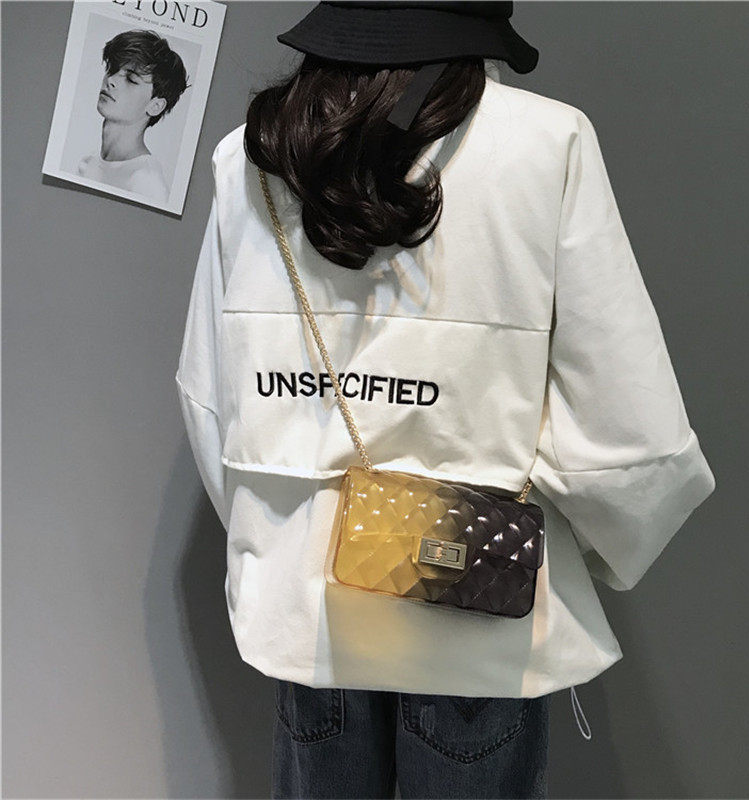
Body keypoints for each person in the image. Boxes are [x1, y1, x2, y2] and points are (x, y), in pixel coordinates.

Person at [174, 2, 716, 797]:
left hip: (307, 607)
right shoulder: (547, 143)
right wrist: (590, 547)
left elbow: (210, 398)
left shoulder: (251, 157)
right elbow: (631, 432)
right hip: (472, 596)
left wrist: (282, 528)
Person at [78, 29, 190, 202]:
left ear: (156, 106)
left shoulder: (147, 183)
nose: (111, 80)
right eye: (112, 69)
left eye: (131, 79)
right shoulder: (87, 163)